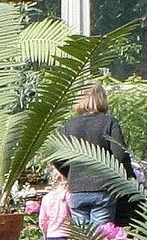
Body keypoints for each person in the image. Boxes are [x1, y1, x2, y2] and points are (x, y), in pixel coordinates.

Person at [55, 85, 132, 227]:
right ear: (101, 99)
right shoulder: (109, 122)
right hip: (103, 188)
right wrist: (126, 177)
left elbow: (57, 157)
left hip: (77, 189)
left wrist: (70, 173)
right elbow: (120, 155)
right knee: (101, 239)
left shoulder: (69, 126)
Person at [37, 163, 74, 240]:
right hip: (67, 234)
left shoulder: (46, 197)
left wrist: (45, 234)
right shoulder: (69, 196)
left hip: (52, 235)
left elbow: (42, 220)